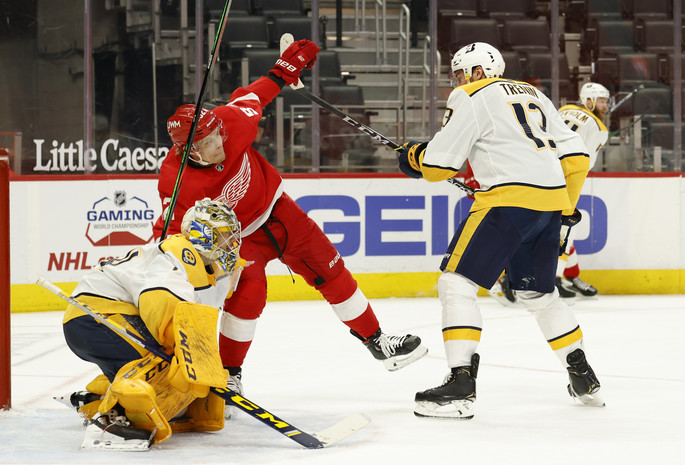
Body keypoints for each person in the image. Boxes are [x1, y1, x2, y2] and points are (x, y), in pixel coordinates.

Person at [153, 39, 427, 410]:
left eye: (218, 133)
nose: (221, 142)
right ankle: (230, 374)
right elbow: (168, 229)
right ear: (189, 151)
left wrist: (285, 68)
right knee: (249, 295)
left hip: (280, 213)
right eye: (209, 140)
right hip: (237, 241)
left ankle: (378, 341)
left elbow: (259, 93)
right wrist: (158, 263)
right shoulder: (175, 178)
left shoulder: (232, 121)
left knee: (331, 268)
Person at [397, 42, 605, 419]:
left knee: (456, 283)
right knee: (538, 293)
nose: (457, 83)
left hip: (507, 203)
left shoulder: (471, 94)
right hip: (550, 204)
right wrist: (566, 210)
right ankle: (582, 375)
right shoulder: (535, 94)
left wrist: (414, 156)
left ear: (477, 72)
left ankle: (461, 385)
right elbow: (576, 158)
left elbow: (438, 168)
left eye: (461, 74)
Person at [60, 198, 244, 449]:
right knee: (162, 361)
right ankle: (112, 423)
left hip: (94, 318)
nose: (231, 243)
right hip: (98, 316)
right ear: (203, 234)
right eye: (224, 235)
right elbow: (158, 297)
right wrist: (188, 354)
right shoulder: (182, 252)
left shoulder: (201, 264)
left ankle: (97, 398)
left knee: (168, 374)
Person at [554, 82, 610, 299]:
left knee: (557, 231)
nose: (605, 106)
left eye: (606, 101)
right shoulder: (599, 128)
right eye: (602, 101)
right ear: (589, 102)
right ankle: (555, 281)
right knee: (567, 230)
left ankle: (573, 276)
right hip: (566, 180)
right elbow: (586, 163)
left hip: (541, 172)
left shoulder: (561, 110)